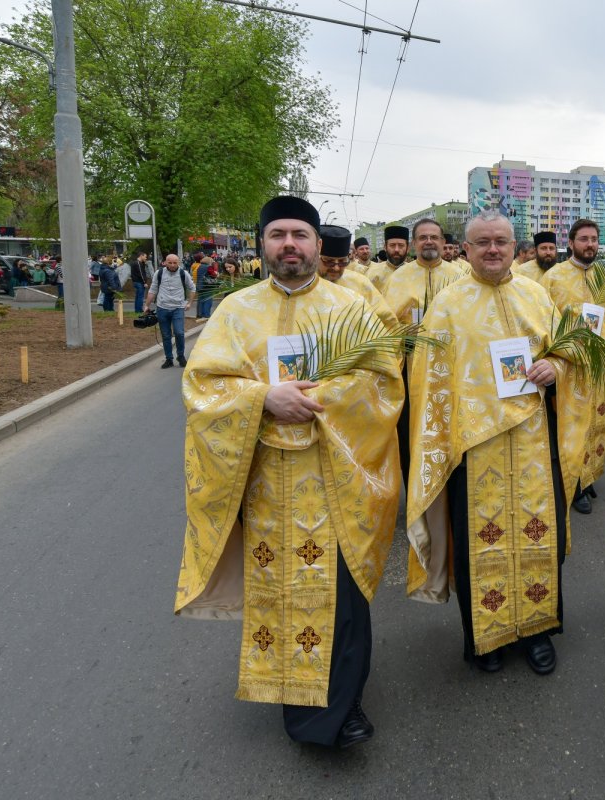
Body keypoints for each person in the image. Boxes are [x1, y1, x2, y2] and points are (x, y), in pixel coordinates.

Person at [175, 195, 403, 749]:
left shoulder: (350, 308)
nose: (289, 245)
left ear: (317, 244)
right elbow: (202, 385)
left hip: (335, 477)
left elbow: (384, 379)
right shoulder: (235, 310)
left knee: (342, 596)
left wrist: (318, 399)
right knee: (278, 591)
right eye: (277, 235)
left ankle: (344, 705)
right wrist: (262, 397)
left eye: (300, 235)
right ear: (262, 246)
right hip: (265, 483)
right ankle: (291, 694)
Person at [404, 209, 586, 676]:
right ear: (465, 250)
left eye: (501, 242)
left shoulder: (536, 294)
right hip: (474, 446)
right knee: (478, 542)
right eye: (482, 242)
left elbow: (570, 347)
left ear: (512, 246)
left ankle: (538, 631)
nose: (492, 249)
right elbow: (428, 380)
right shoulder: (447, 305)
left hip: (531, 442)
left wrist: (555, 367)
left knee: (538, 537)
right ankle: (485, 638)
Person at [540, 218, 605, 515]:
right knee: (573, 425)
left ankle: (588, 478)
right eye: (584, 239)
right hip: (570, 367)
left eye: (594, 239)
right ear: (572, 242)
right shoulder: (553, 278)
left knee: (597, 425)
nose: (590, 244)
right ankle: (573, 484)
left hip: (599, 365)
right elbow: (544, 322)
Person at [380, 217, 467, 485]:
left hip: (451, 369)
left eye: (434, 237)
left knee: (450, 428)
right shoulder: (398, 279)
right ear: (414, 243)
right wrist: (402, 336)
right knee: (409, 433)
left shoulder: (459, 277)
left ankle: (450, 489)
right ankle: (414, 493)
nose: (429, 241)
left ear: (443, 242)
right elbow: (383, 325)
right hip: (409, 368)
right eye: (423, 237)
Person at [317, 225, 399, 329]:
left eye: (342, 262)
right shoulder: (299, 285)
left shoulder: (360, 282)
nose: (336, 268)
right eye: (329, 261)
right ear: (316, 258)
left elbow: (388, 320)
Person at [145, 253, 197, 368]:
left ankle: (181, 356)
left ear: (178, 263)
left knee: (179, 332)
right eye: (170, 262)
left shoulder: (184, 274)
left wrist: (189, 303)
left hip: (178, 308)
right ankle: (169, 358)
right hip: (162, 308)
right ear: (165, 262)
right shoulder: (159, 273)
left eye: (175, 263)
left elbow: (192, 288)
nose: (173, 265)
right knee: (166, 335)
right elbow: (153, 289)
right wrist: (146, 305)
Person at [365, 225, 411, 293]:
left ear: (408, 248)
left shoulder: (415, 273)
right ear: (385, 247)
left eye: (401, 245)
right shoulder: (372, 274)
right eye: (392, 245)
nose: (396, 250)